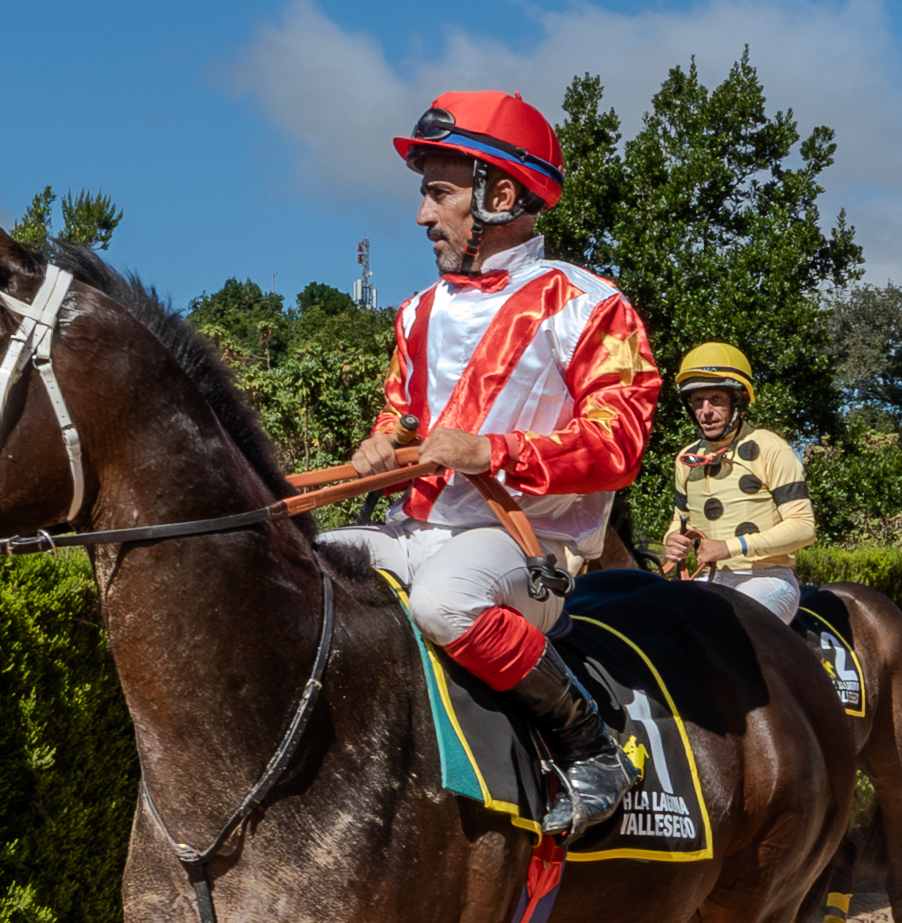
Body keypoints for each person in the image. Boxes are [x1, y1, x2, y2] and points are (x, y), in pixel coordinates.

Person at [336, 89, 661, 839]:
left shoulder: (588, 305)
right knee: (302, 565)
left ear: (500, 193)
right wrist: (381, 441)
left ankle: (593, 747)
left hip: (527, 549)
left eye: (438, 194)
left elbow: (618, 446)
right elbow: (402, 413)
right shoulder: (416, 312)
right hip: (414, 528)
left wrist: (494, 452)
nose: (422, 216)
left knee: (445, 603)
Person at [657, 343, 812, 624]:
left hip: (768, 579)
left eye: (715, 399)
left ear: (737, 402)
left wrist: (730, 546)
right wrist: (672, 541)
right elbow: (680, 521)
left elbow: (803, 528)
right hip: (706, 578)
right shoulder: (686, 458)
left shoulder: (771, 447)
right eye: (697, 401)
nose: (705, 411)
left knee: (724, 626)